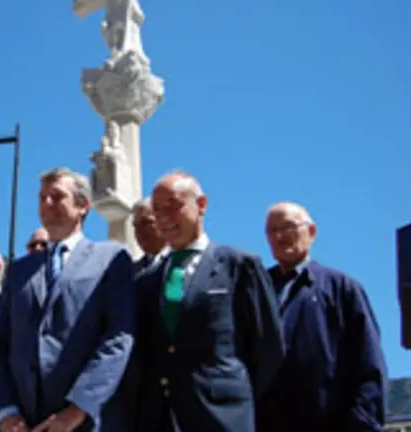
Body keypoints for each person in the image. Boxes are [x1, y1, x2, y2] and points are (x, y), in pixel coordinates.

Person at [0, 167, 135, 432]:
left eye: (57, 196)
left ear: (83, 206)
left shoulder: (111, 259)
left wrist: (77, 410)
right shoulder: (19, 270)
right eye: (42, 198)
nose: (46, 204)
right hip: (22, 423)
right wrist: (4, 412)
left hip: (84, 423)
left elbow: (118, 337)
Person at [134, 170, 284, 431]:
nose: (164, 218)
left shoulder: (239, 266)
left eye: (174, 206)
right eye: (157, 210)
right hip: (160, 419)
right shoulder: (146, 282)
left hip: (223, 417)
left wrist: (237, 400)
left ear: (201, 205)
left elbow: (268, 348)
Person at [256, 202, 386, 431]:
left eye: (287, 227)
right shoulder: (257, 289)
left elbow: (368, 363)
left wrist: (361, 423)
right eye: (272, 230)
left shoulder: (340, 288)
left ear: (311, 232)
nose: (279, 236)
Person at [131, 197, 167, 274]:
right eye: (135, 226)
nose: (139, 230)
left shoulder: (184, 260)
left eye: (145, 223)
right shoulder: (128, 274)